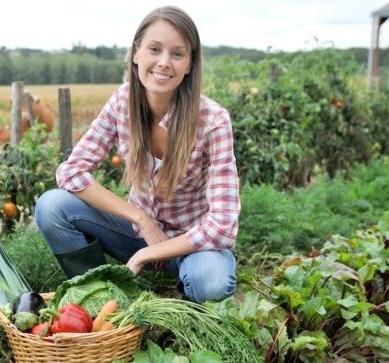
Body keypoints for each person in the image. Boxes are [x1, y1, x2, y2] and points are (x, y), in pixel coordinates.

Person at [35, 5, 240, 303]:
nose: (164, 62)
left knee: (209, 280)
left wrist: (150, 252)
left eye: (177, 54)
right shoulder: (122, 102)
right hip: (133, 234)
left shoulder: (213, 121)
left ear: (190, 64)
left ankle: (181, 304)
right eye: (154, 49)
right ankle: (105, 297)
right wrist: (141, 218)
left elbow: (223, 226)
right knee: (51, 206)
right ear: (136, 54)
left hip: (191, 245)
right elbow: (71, 172)